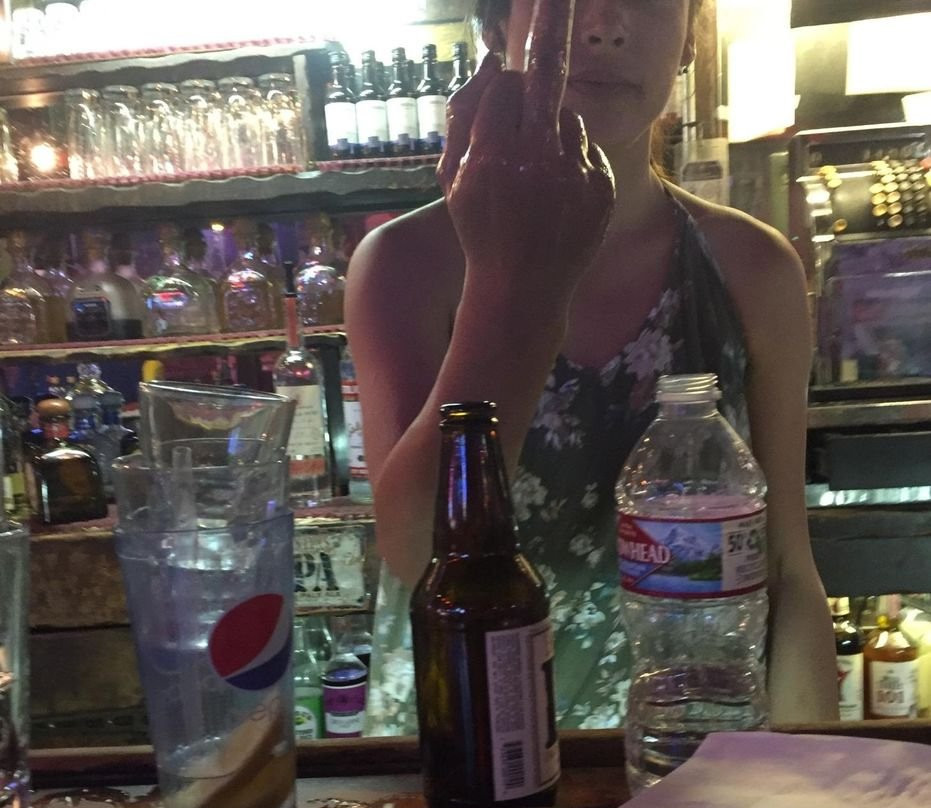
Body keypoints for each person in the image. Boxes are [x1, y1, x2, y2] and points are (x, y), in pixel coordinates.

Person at [346, 0, 838, 734]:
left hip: (693, 749)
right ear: (497, 32)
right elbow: (419, 553)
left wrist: (808, 768)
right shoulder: (405, 263)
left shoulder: (753, 268)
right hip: (472, 742)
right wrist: (515, 284)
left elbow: (788, 572)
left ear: (688, 40)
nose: (606, 24)